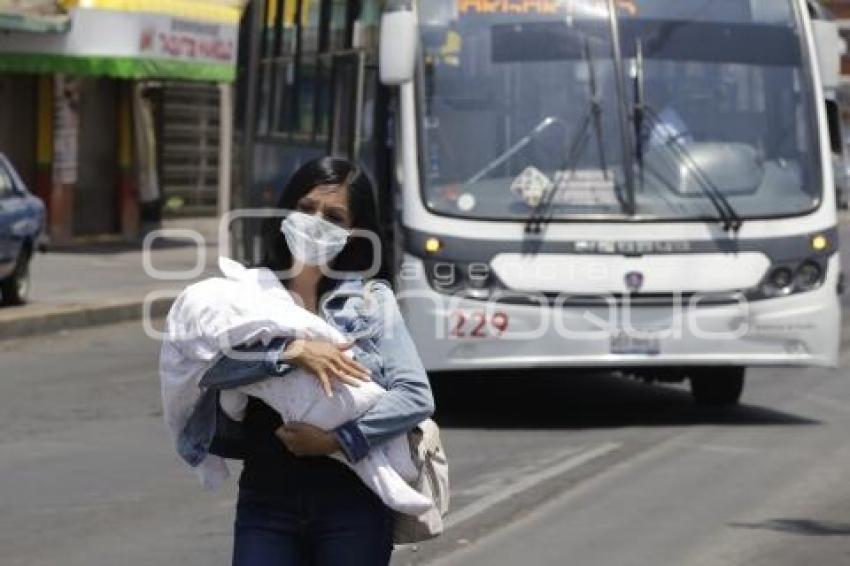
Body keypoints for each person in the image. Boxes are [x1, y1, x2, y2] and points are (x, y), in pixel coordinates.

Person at [206, 157, 435, 565]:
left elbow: (415, 395)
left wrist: (336, 441)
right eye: (307, 207)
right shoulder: (247, 293)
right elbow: (206, 369)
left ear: (352, 233)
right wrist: (287, 354)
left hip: (352, 503)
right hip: (266, 500)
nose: (315, 221)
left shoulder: (370, 301)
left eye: (334, 216)